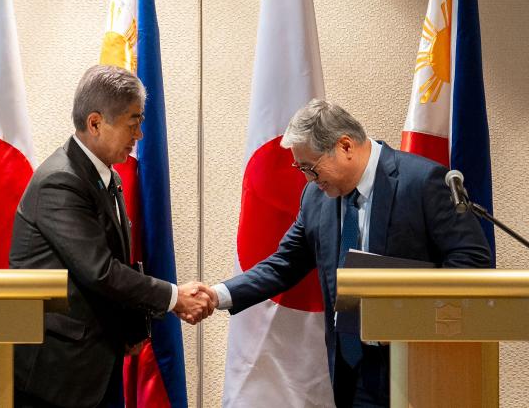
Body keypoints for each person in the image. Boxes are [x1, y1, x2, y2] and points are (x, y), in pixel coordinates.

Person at [203, 99, 491, 407]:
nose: (308, 179)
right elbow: (284, 264)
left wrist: (408, 321)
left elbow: (471, 263)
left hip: (418, 369)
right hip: (352, 371)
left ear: (344, 146)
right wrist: (217, 294)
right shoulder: (315, 197)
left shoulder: (423, 182)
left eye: (310, 168)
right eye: (300, 169)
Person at [9, 65, 212, 408]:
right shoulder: (61, 182)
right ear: (95, 123)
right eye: (133, 123)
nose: (140, 135)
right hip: (58, 377)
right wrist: (175, 297)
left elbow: (117, 263)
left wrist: (131, 327)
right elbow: (100, 271)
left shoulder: (104, 176)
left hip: (97, 361)